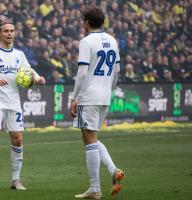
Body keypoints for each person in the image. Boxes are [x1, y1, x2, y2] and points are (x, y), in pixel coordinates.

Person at [0, 21, 46, 192]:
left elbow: (28, 70)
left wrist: (37, 78)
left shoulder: (19, 54)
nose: (9, 33)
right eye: (6, 31)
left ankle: (16, 179)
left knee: (18, 139)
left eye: (12, 31)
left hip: (13, 102)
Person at [69, 7, 125, 199]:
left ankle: (95, 188)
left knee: (89, 139)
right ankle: (113, 170)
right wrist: (109, 90)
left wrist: (74, 98)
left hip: (89, 96)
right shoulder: (112, 40)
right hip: (105, 95)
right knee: (90, 138)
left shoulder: (86, 42)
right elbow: (117, 71)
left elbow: (82, 72)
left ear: (86, 21)